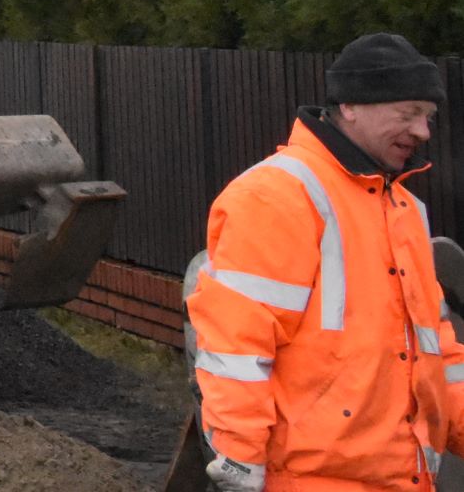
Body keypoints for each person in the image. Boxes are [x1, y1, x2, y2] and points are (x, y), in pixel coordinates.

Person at [190, 32, 464, 490]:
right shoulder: (276, 197)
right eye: (409, 113)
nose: (423, 132)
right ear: (351, 106)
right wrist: (239, 461)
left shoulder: (404, 211)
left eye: (428, 117)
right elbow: (235, 348)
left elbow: (439, 355)